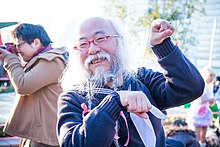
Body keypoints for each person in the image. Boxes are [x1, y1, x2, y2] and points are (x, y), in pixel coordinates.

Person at [57, 17, 204, 147]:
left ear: (120, 41)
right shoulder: (71, 98)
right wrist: (115, 102)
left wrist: (162, 46)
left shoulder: (141, 78)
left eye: (100, 39)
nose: (92, 49)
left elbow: (190, 88)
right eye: (83, 44)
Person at [0, 23, 69, 147]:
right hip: (38, 134)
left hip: (45, 138)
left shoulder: (52, 60)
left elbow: (23, 86)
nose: (17, 50)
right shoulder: (42, 60)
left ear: (36, 42)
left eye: (18, 45)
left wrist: (10, 59)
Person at [186, 66, 216, 147]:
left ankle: (202, 144)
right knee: (197, 129)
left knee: (204, 128)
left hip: (205, 110)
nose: (212, 78)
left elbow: (210, 102)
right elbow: (200, 100)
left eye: (213, 76)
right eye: (210, 75)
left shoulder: (210, 86)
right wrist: (211, 99)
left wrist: (212, 100)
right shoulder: (201, 85)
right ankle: (196, 144)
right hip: (197, 110)